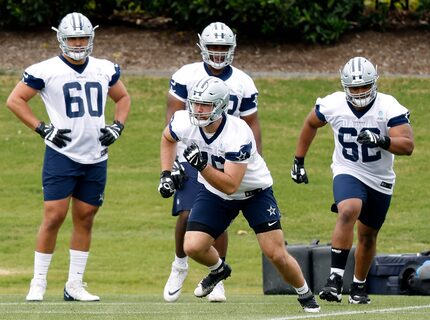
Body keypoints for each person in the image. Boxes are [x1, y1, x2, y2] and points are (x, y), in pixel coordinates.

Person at [159, 76, 320, 313]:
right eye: (195, 103)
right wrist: (165, 173)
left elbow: (231, 185)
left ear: (221, 106)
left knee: (275, 254)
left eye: (205, 104)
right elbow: (167, 138)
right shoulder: (184, 121)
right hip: (214, 192)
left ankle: (305, 293)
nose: (198, 110)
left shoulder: (238, 133)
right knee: (193, 246)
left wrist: (202, 166)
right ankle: (219, 270)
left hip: (254, 192)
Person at [6, 12, 131, 302]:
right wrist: (41, 129)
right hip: (62, 153)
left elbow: (123, 98)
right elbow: (15, 99)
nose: (78, 43)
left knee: (85, 218)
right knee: (54, 216)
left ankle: (74, 285)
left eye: (83, 38)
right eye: (73, 38)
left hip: (96, 155)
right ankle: (38, 282)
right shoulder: (46, 69)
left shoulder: (103, 68)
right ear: (61, 39)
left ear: (92, 39)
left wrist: (118, 127)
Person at [291, 56, 414, 304]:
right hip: (347, 169)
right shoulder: (333, 103)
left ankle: (358, 288)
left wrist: (381, 140)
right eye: (354, 87)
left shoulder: (388, 106)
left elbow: (408, 145)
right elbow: (310, 123)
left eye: (363, 87)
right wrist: (298, 160)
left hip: (380, 178)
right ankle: (335, 280)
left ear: (374, 83)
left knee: (368, 236)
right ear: (344, 86)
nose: (358, 93)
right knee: (348, 209)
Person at [163, 21, 262, 303]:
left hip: (227, 156)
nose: (218, 53)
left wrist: (255, 158)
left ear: (232, 48)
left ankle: (217, 278)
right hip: (192, 154)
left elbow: (252, 124)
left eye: (223, 47)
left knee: (218, 222)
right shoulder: (186, 75)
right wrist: (173, 165)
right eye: (213, 47)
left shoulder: (243, 81)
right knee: (186, 215)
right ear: (202, 47)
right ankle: (179, 264)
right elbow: (172, 119)